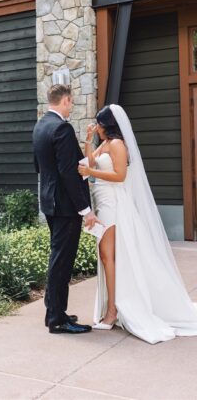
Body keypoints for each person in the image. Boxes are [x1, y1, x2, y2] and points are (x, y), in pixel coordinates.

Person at [78, 104, 197, 344]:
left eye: (99, 123)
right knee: (106, 256)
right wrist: (88, 141)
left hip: (113, 202)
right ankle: (111, 306)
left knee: (107, 255)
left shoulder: (118, 145)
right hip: (102, 200)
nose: (97, 126)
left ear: (107, 124)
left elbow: (119, 175)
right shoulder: (104, 143)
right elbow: (90, 163)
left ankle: (113, 311)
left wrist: (92, 170)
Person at [32, 84, 99, 334]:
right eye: (71, 103)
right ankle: (57, 320)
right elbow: (70, 173)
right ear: (66, 101)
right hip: (66, 207)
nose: (72, 107)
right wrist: (85, 209)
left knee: (56, 258)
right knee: (62, 262)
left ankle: (54, 310)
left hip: (50, 202)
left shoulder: (40, 126)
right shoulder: (62, 127)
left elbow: (37, 165)